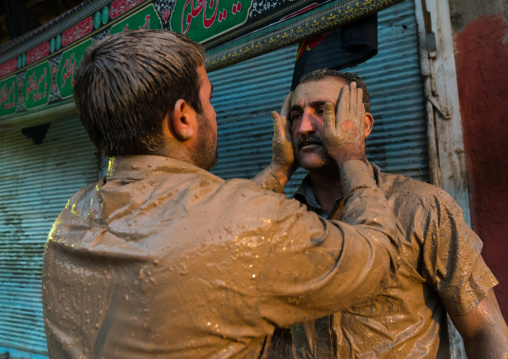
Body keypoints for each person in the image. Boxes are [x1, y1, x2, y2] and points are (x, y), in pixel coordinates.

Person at [41, 30, 401, 358]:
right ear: (183, 118)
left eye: (320, 111)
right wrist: (352, 157)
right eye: (209, 99)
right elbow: (380, 256)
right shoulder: (246, 220)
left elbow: (194, 225)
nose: (304, 126)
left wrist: (278, 171)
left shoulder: (68, 225)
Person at [269, 68, 508, 358]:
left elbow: (485, 331)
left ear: (364, 125)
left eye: (322, 111)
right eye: (295, 115)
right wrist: (277, 170)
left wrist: (350, 157)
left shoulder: (422, 207)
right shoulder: (278, 217)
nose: (304, 127)